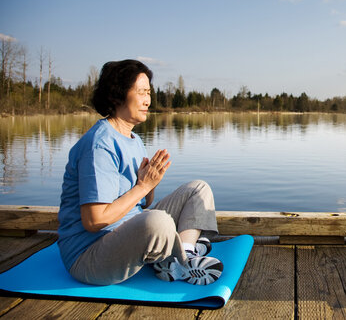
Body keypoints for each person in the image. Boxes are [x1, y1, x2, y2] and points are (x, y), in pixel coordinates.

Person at [58, 59, 223, 286]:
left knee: (198, 189)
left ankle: (184, 256)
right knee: (157, 221)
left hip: (128, 233)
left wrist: (151, 185)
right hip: (90, 257)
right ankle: (184, 252)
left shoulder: (134, 140)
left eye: (149, 93)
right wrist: (142, 186)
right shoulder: (100, 145)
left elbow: (142, 204)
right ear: (118, 95)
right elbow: (94, 220)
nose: (148, 100)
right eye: (142, 92)